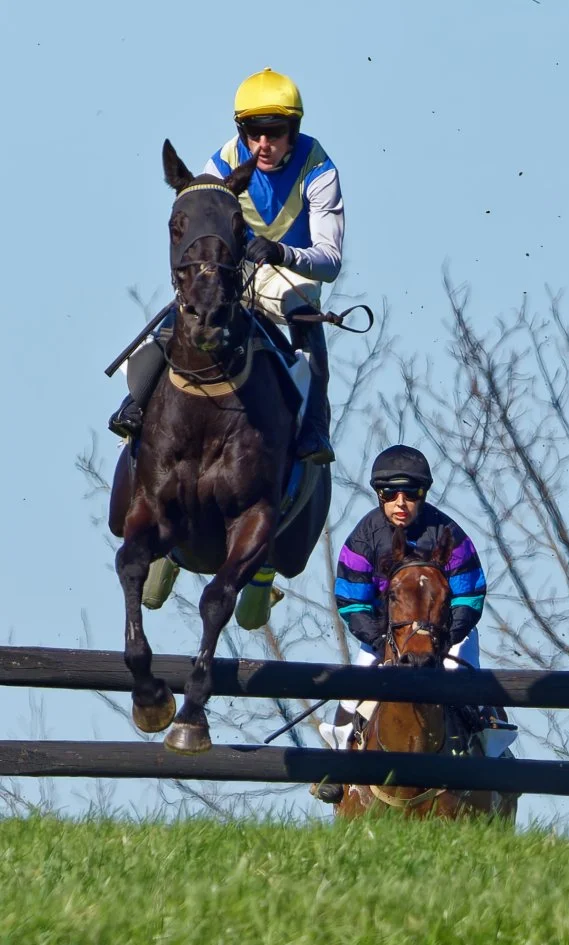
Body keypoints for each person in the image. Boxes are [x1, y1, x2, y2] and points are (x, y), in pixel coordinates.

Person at [109, 67, 342, 465]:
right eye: (254, 132)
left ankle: (314, 428)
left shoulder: (319, 170)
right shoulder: (219, 164)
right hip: (236, 270)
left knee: (308, 323)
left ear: (295, 128)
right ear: (241, 129)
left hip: (293, 273)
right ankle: (135, 403)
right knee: (181, 315)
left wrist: (282, 253)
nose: (263, 144)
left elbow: (330, 260)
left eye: (276, 132)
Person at [314, 446, 488, 783]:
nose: (400, 502)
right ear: (379, 495)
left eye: (411, 493)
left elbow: (469, 592)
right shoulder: (364, 538)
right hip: (387, 636)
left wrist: (446, 638)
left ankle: (495, 757)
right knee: (352, 695)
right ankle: (335, 767)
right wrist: (380, 640)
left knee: (468, 686)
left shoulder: (449, 534)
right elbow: (352, 600)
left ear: (422, 495)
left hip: (447, 636)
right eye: (390, 493)